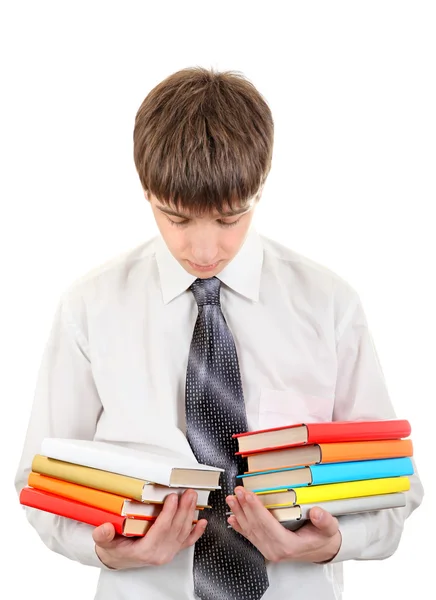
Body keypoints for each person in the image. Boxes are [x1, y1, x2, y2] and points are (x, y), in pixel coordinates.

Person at [15, 66, 423, 600]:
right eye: (177, 219)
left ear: (260, 187)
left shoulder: (328, 305)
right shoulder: (90, 307)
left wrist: (328, 543)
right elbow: (38, 478)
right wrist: (105, 551)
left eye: (230, 219)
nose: (204, 251)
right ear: (145, 191)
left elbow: (396, 486)